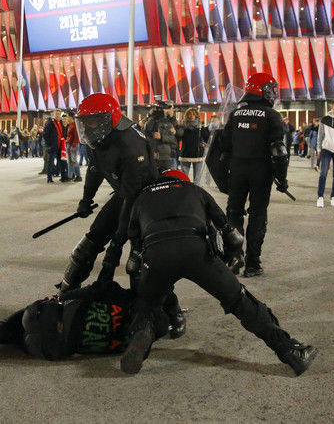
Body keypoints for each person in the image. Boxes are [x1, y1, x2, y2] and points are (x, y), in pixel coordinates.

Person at [119, 169, 316, 376]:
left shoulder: (141, 198)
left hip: (157, 253)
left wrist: (146, 287)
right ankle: (290, 352)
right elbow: (231, 235)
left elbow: (134, 256)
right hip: (196, 249)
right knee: (240, 301)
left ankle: (141, 333)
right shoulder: (195, 190)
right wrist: (229, 260)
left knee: (147, 307)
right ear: (183, 181)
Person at [59, 93, 158, 294]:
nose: (87, 127)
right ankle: (66, 292)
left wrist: (117, 243)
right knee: (88, 245)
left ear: (107, 120)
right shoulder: (98, 139)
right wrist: (86, 200)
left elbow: (132, 198)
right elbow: (95, 169)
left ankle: (155, 309)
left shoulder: (130, 144)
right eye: (84, 122)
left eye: (92, 122)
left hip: (147, 200)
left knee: (140, 259)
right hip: (126, 193)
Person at [0, 280, 178, 359]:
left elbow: (97, 289)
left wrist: (64, 295)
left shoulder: (127, 299)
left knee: (27, 318)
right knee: (24, 338)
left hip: (44, 317)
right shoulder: (128, 346)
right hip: (51, 348)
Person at [219, 72, 288, 277]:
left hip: (237, 170)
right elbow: (279, 151)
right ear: (263, 90)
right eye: (271, 88)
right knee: (258, 215)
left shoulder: (235, 114)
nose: (273, 93)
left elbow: (223, 146)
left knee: (234, 213)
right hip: (261, 172)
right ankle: (252, 264)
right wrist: (282, 179)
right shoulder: (271, 115)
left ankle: (234, 256)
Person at [144, 100, 179, 172]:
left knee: (167, 176)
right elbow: (145, 133)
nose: (159, 111)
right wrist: (150, 116)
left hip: (165, 155)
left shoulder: (168, 122)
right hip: (152, 154)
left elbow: (172, 138)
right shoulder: (151, 121)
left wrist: (162, 137)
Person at [178, 107, 208, 181]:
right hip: (185, 154)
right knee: (184, 179)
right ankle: (185, 192)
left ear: (196, 116)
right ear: (186, 116)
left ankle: (196, 192)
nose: (191, 116)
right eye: (189, 114)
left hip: (198, 155)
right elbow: (178, 137)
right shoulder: (182, 127)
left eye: (193, 114)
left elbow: (207, 139)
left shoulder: (201, 128)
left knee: (197, 180)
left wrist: (204, 143)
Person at [43, 110, 67, 183]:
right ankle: (49, 178)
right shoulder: (50, 123)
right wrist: (49, 145)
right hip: (53, 146)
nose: (58, 115)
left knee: (61, 162)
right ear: (53, 115)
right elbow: (45, 134)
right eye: (56, 114)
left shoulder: (60, 123)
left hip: (60, 146)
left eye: (59, 114)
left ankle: (62, 176)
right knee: (50, 162)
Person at [65, 113, 82, 182]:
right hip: (69, 145)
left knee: (74, 161)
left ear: (71, 117)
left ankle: (78, 176)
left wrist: (74, 145)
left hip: (73, 145)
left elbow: (77, 137)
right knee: (70, 161)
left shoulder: (75, 125)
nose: (67, 118)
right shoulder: (70, 125)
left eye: (68, 117)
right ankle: (70, 176)